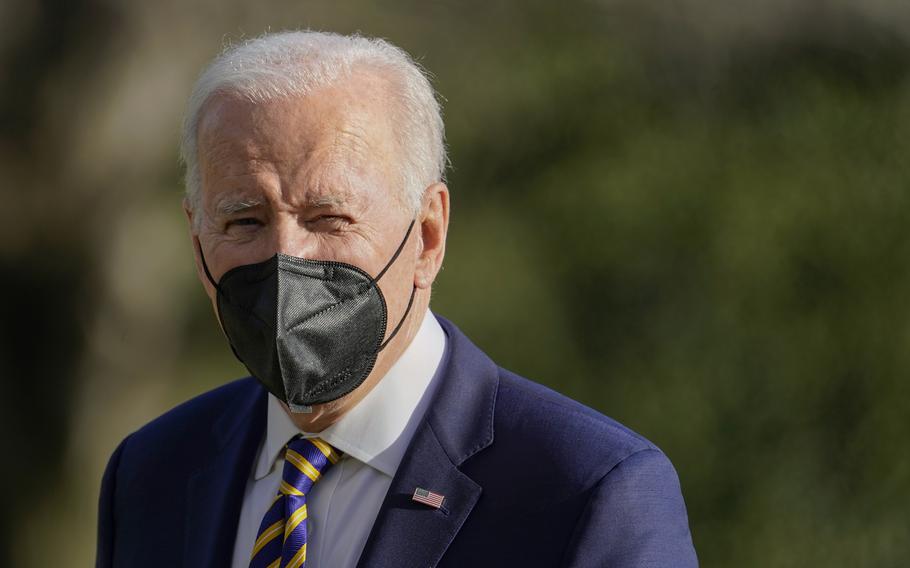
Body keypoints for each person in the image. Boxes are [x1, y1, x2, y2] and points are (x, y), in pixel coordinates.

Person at [96, 31, 698, 568]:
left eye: (329, 217)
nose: (287, 257)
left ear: (428, 235)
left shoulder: (589, 491)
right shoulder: (152, 476)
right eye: (244, 222)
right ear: (196, 236)